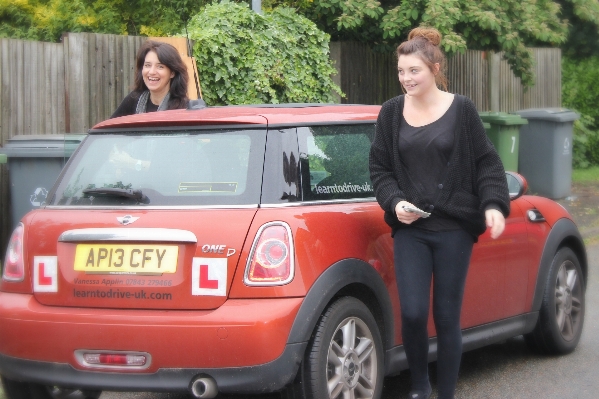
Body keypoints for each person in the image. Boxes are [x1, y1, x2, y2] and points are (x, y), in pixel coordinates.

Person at [369, 27, 510, 399]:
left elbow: (488, 164)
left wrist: (494, 205)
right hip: (411, 229)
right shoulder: (390, 113)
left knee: (447, 316)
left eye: (413, 70)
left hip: (453, 230)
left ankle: (446, 392)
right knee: (413, 313)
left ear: (433, 68)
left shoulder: (461, 109)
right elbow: (380, 170)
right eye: (401, 71)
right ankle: (419, 387)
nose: (406, 78)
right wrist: (396, 201)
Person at [111, 40, 189, 118]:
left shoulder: (184, 109)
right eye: (148, 65)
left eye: (160, 66)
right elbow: (108, 128)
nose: (152, 72)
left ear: (172, 73)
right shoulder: (133, 100)